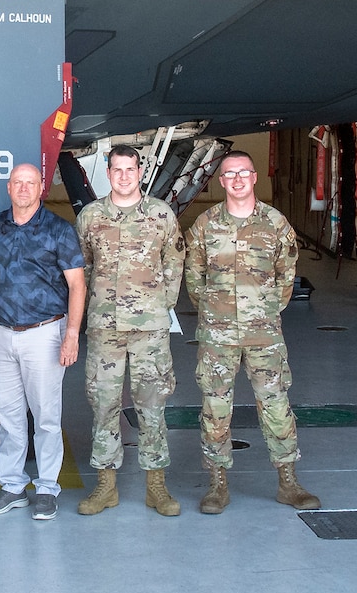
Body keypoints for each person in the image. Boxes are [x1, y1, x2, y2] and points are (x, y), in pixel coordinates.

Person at [182, 150, 320, 515]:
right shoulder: (205, 225)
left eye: (244, 172)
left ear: (255, 177)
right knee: (215, 408)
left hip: (264, 334)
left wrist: (265, 311)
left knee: (276, 404)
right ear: (222, 182)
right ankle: (217, 484)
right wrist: (215, 311)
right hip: (217, 334)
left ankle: (288, 481)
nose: (238, 179)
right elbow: (193, 278)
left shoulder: (275, 223)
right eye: (230, 174)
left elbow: (286, 275)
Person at [74, 144, 185, 517]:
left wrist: (162, 303)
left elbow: (174, 260)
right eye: (117, 169)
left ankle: (156, 485)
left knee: (152, 406)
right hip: (105, 327)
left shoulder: (160, 214)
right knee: (103, 405)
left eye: (130, 169)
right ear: (108, 173)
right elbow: (83, 267)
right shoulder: (91, 216)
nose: (124, 176)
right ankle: (106, 485)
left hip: (150, 329)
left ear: (140, 172)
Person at [0, 160, 85, 521]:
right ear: (8, 188)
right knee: (7, 416)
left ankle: (46, 488)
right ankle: (11, 485)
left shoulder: (58, 230)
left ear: (42, 188)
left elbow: (77, 285)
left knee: (45, 417)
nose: (23, 188)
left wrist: (70, 335)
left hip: (44, 334)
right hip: (2, 334)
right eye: (17, 182)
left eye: (30, 183)